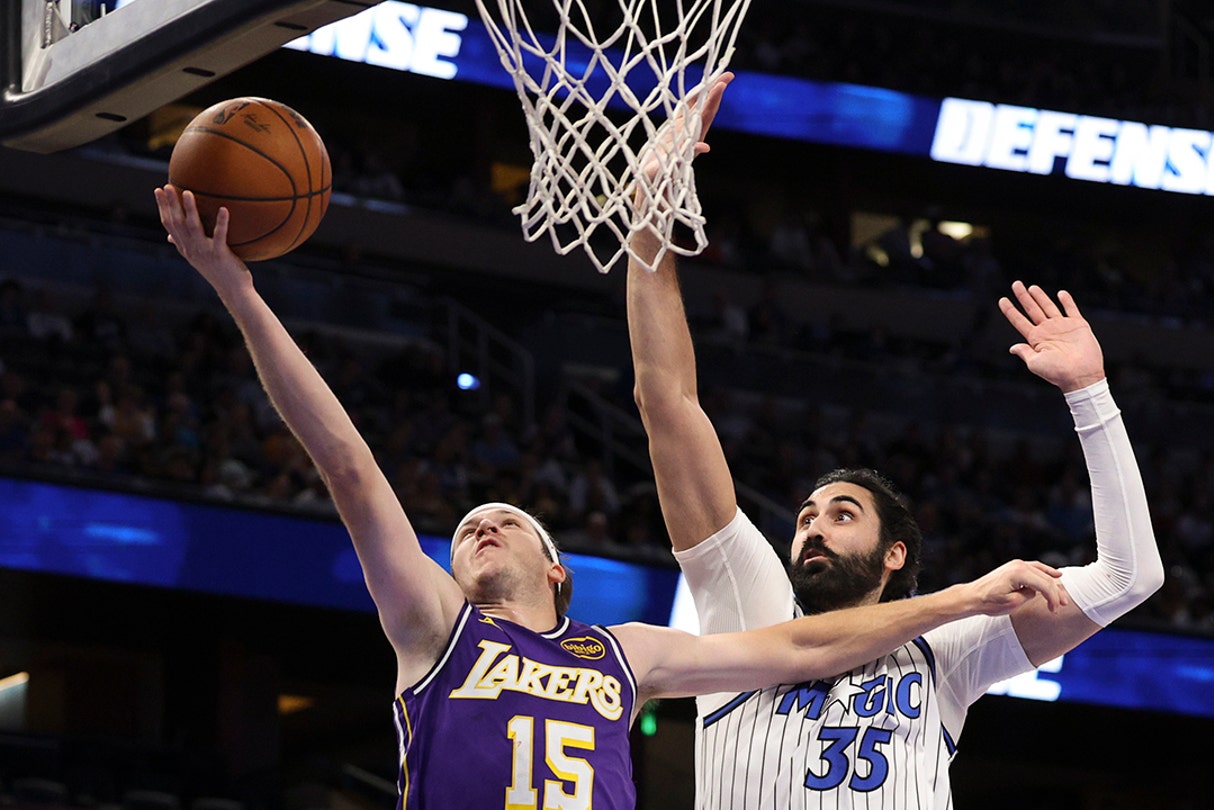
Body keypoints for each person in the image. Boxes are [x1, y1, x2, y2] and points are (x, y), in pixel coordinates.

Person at [154, 185, 1075, 810]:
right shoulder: (433, 628)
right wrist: (240, 292)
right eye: (468, 527)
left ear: (556, 571)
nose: (482, 523)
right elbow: (349, 465)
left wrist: (957, 601)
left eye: (506, 520)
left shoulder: (625, 653)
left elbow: (799, 646)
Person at [626, 73, 1163, 808]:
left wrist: (1089, 392)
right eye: (806, 517)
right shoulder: (749, 605)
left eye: (842, 514)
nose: (812, 527)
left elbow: (1131, 578)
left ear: (895, 554)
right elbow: (668, 403)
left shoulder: (946, 651)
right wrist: (648, 228)